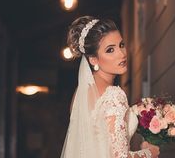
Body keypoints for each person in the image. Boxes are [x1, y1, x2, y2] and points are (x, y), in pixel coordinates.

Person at [60, 16, 160, 158]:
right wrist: (150, 152)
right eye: (110, 50)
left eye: (121, 45)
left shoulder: (80, 93)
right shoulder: (114, 95)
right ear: (93, 59)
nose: (121, 54)